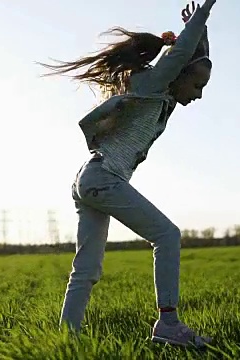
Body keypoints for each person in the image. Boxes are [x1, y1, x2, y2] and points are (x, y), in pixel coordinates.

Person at [38, 0, 217, 348]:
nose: (199, 95)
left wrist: (200, 31)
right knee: (167, 235)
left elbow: (188, 54)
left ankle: (65, 341)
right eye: (198, 86)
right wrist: (205, 9)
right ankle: (168, 324)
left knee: (86, 269)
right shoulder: (152, 83)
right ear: (177, 73)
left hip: (89, 179)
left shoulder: (157, 91)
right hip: (104, 178)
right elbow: (181, 56)